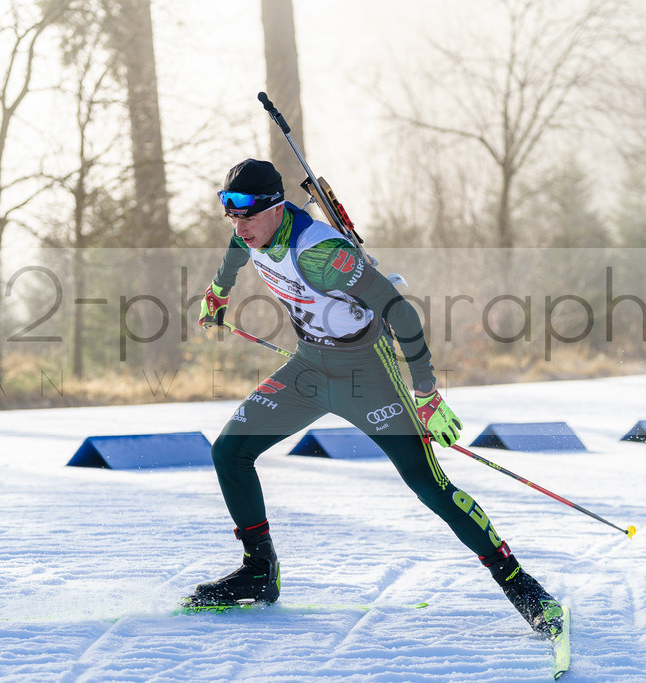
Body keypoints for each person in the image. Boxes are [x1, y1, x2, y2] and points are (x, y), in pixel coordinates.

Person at [188, 158, 563, 637]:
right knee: (230, 452)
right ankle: (259, 572)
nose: (240, 228)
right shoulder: (253, 231)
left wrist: (426, 393)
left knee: (429, 486)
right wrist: (218, 290)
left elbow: (401, 314)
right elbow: (239, 251)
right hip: (311, 367)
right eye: (232, 218)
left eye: (248, 216)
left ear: (278, 208)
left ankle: (522, 587)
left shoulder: (319, 253)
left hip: (369, 376)